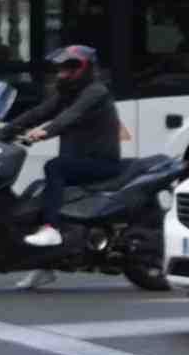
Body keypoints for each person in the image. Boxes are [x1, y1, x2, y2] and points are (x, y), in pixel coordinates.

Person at [21, 40, 127, 222]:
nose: (63, 71)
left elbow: (71, 115)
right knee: (39, 189)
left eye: (70, 66)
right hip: (79, 160)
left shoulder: (96, 92)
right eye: (62, 66)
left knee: (54, 167)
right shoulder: (67, 94)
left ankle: (50, 228)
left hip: (102, 162)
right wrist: (3, 131)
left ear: (85, 69)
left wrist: (45, 132)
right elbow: (38, 113)